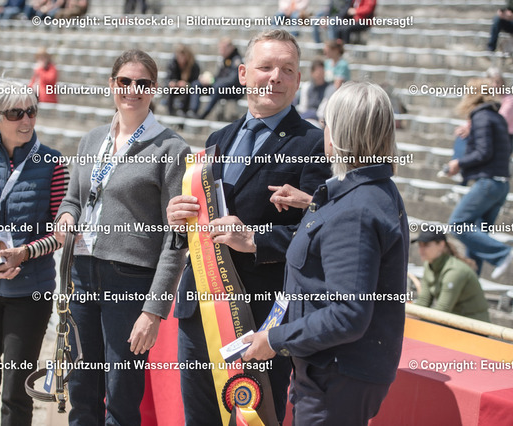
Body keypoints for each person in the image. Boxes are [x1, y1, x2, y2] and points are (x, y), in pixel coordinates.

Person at [167, 29, 332, 425]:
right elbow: (201, 225)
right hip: (200, 308)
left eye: (287, 70)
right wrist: (178, 220)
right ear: (243, 74)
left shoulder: (314, 144)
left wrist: (256, 240)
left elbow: (321, 234)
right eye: (266, 67)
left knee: (254, 418)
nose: (276, 77)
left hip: (261, 317)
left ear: (298, 80)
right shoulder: (217, 139)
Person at [243, 81, 409, 426]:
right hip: (333, 370)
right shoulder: (368, 192)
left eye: (326, 124)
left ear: (339, 134)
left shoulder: (357, 209)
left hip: (335, 374)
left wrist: (275, 339)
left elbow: (348, 314)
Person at [54, 49, 190, 425]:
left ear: (154, 88)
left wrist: (154, 309)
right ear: (112, 84)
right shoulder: (91, 140)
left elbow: (177, 237)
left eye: (142, 83)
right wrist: (66, 216)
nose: (132, 89)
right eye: (124, 81)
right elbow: (73, 199)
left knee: (121, 396)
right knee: (81, 389)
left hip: (130, 281)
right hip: (81, 274)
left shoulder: (171, 148)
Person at [0, 79, 69, 425]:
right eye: (16, 113)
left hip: (30, 292)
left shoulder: (54, 162)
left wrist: (25, 253)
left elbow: (61, 233)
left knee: (17, 395)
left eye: (31, 111)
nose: (27, 120)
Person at [446, 78, 513, 279]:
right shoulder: (495, 116)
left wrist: (459, 163)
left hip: (488, 183)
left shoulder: (481, 117)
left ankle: (502, 253)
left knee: (457, 224)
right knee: (476, 237)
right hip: (500, 185)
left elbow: (484, 152)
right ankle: (472, 284)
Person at [412, 230, 490, 322]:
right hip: (452, 322)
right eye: (420, 245)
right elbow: (423, 301)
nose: (421, 250)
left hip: (472, 325)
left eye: (426, 245)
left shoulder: (455, 271)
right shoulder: (428, 265)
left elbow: (442, 310)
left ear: (441, 245)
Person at [189, 37, 244, 120]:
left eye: (223, 49)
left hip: (233, 91)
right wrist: (208, 80)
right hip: (219, 86)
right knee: (196, 84)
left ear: (230, 48)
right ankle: (193, 111)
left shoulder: (237, 60)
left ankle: (203, 115)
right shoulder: (224, 59)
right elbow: (219, 76)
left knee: (217, 87)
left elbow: (232, 80)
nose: (221, 51)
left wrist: (213, 81)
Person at [164, 44, 200, 116]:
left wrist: (186, 84)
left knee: (188, 90)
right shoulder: (172, 64)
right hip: (175, 88)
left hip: (188, 88)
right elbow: (168, 78)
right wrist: (173, 83)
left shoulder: (194, 66)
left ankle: (185, 111)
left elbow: (195, 81)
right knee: (170, 90)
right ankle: (170, 112)